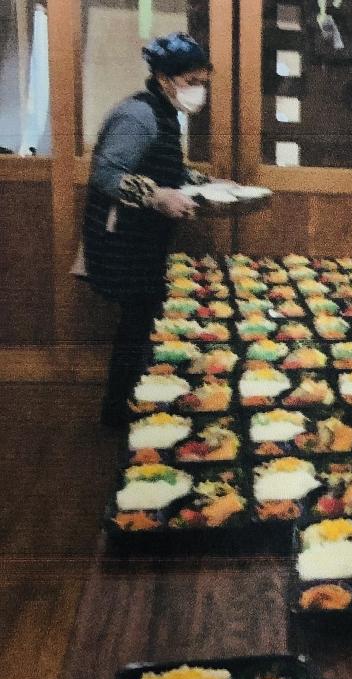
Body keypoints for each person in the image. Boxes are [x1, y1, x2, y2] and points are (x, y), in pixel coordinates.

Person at [83, 33, 211, 427]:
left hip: (143, 239)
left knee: (141, 319)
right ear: (163, 78)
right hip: (121, 240)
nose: (198, 90)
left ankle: (129, 401)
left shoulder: (166, 113)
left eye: (203, 82)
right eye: (190, 81)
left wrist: (208, 184)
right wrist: (156, 197)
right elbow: (106, 173)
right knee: (136, 321)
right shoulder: (137, 115)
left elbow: (165, 166)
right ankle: (117, 411)